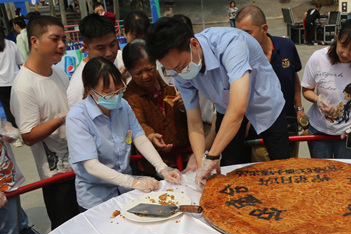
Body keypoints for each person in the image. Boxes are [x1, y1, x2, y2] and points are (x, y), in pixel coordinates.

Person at [146, 18, 290, 188]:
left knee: (283, 168)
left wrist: (212, 157)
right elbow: (194, 121)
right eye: (173, 69)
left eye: (181, 65)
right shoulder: (178, 70)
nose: (179, 72)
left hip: (264, 103)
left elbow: (238, 108)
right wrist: (202, 164)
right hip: (226, 106)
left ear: (194, 44)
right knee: (229, 164)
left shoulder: (231, 43)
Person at [66, 57, 181, 210]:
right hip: (96, 199)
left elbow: (139, 137)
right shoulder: (77, 117)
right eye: (108, 93)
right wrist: (133, 182)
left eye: (119, 90)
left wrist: (162, 168)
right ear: (89, 90)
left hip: (126, 193)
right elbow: (91, 166)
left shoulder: (123, 105)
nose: (115, 97)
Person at [11, 16, 80, 229]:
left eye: (64, 39)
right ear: (34, 41)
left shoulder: (57, 71)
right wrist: (61, 119)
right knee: (67, 232)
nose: (62, 45)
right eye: (55, 39)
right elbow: (28, 136)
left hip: (78, 166)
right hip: (56, 179)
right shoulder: (24, 85)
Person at [236, 5, 306, 159]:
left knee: (290, 173)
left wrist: (299, 108)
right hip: (259, 132)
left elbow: (294, 82)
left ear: (264, 28)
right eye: (238, 34)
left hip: (289, 126)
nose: (242, 39)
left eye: (247, 33)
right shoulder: (239, 58)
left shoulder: (287, 47)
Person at [301, 19, 351, 159]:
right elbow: (306, 90)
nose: (345, 53)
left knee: (346, 174)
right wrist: (318, 99)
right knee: (322, 175)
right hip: (319, 130)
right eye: (343, 44)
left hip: (349, 131)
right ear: (338, 35)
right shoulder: (318, 58)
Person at [122, 40, 193, 176]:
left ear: (156, 63)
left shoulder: (172, 82)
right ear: (129, 71)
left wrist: (186, 106)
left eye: (149, 69)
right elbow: (137, 123)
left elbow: (193, 114)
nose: (145, 76)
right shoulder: (129, 97)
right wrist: (150, 136)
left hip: (185, 157)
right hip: (154, 166)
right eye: (138, 73)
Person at [67, 14, 120, 107]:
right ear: (86, 48)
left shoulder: (118, 60)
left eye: (112, 45)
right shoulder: (79, 86)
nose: (109, 53)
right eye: (101, 48)